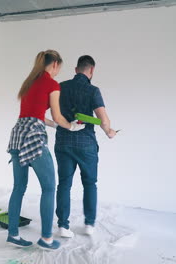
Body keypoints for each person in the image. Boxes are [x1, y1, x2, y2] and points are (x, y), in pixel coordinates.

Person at [6, 50, 85, 250]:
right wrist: (71, 126)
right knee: (49, 188)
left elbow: (35, 115)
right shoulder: (51, 84)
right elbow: (57, 116)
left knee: (18, 188)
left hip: (17, 135)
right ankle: (46, 239)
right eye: (60, 67)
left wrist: (57, 125)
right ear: (55, 64)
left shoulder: (29, 82)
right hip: (33, 137)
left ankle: (13, 234)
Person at [54, 55, 116, 238]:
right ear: (91, 71)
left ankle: (63, 226)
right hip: (86, 144)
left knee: (64, 184)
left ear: (76, 69)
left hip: (64, 142)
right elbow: (104, 120)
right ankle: (89, 224)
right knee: (90, 183)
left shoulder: (60, 87)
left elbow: (52, 112)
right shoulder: (93, 90)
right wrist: (110, 132)